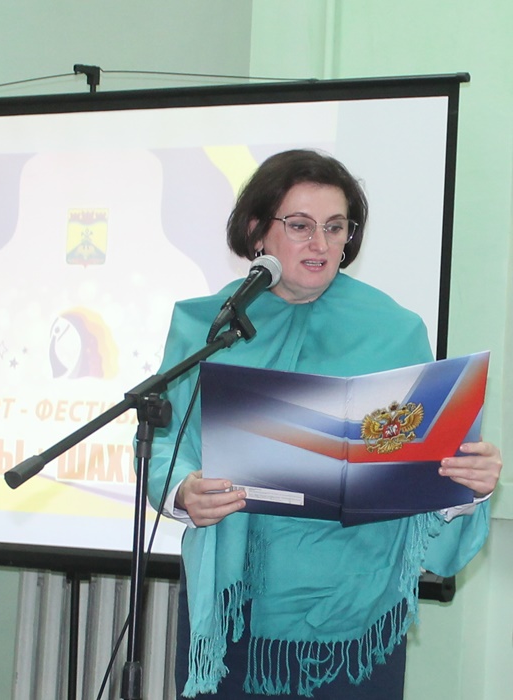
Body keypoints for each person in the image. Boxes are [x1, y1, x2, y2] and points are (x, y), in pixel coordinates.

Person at [146, 149, 503, 699]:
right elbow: (164, 439)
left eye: (335, 227)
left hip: (356, 617)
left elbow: (427, 469)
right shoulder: (207, 326)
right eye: (301, 226)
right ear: (257, 231)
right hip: (233, 609)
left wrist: (468, 486)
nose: (320, 243)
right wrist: (181, 491)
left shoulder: (395, 330)